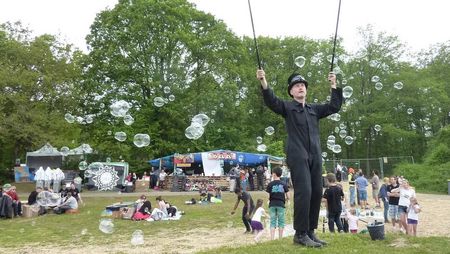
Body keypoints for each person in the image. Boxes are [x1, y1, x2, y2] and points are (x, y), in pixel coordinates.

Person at [257, 67, 342, 247]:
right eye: (296, 86)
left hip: (315, 155)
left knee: (317, 192)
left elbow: (334, 106)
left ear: (306, 90)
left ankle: (311, 231)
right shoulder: (287, 107)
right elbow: (271, 101)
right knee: (304, 192)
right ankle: (300, 234)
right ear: (291, 91)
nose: (300, 87)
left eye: (303, 85)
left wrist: (334, 85)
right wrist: (263, 81)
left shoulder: (314, 109)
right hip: (297, 154)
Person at [266, 166, 289, 240]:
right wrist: (286, 199)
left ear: (274, 174)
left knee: (272, 221)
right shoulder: (284, 184)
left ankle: (272, 238)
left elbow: (268, 197)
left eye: (272, 173)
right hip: (281, 205)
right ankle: (280, 238)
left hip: (272, 205)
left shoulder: (270, 184)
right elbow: (288, 196)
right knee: (281, 221)